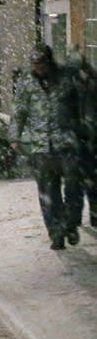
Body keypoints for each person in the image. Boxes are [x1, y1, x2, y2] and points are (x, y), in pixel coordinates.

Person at [10, 43, 85, 250]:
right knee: (48, 193)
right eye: (35, 65)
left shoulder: (66, 79)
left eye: (42, 64)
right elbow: (19, 112)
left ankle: (70, 225)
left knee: (73, 188)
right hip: (41, 146)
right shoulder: (27, 83)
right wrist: (15, 137)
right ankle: (56, 233)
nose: (39, 69)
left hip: (67, 143)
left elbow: (82, 103)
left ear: (50, 63)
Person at [64, 45, 97, 227]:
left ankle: (80, 217)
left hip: (86, 139)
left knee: (79, 183)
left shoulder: (89, 84)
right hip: (78, 139)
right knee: (77, 183)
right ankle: (78, 217)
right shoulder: (69, 86)